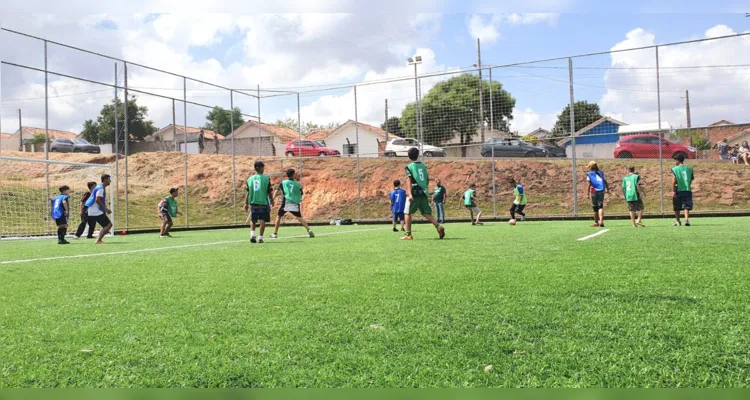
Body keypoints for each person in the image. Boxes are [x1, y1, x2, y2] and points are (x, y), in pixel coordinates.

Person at [401, 147, 445, 241]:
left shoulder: (409, 167)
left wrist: (409, 193)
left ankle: (408, 235)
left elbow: (409, 180)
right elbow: (427, 179)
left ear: (409, 156)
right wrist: (425, 189)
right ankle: (438, 226)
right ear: (418, 155)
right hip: (423, 192)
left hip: (414, 191)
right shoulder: (423, 166)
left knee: (407, 213)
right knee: (426, 212)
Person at [271, 169, 314, 239]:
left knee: (279, 216)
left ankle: (275, 234)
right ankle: (309, 230)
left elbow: (277, 190)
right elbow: (301, 193)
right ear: (293, 175)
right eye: (295, 174)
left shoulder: (283, 182)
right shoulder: (298, 184)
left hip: (286, 202)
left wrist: (272, 199)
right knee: (300, 218)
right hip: (294, 203)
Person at [244, 160, 273, 243]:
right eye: (263, 167)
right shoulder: (266, 179)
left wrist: (246, 203)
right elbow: (269, 191)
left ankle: (252, 235)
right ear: (259, 168)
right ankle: (260, 237)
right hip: (263, 202)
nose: (263, 169)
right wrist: (272, 200)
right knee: (263, 220)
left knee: (253, 220)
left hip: (253, 202)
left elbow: (248, 192)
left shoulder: (249, 179)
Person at [85, 174, 113, 244]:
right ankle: (98, 240)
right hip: (95, 210)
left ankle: (99, 239)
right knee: (108, 225)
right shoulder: (100, 188)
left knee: (106, 225)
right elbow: (98, 200)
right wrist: (106, 209)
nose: (110, 181)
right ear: (105, 180)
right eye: (109, 179)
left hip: (93, 210)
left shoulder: (100, 187)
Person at [672, 153, 694, 226]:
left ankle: (678, 221)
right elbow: (691, 179)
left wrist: (673, 191)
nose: (675, 162)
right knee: (686, 206)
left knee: (677, 207)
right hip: (687, 189)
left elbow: (674, 180)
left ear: (678, 160)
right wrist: (687, 184)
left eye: (675, 160)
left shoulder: (675, 169)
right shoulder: (689, 169)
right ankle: (687, 220)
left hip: (678, 189)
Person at [586, 161, 609, 228]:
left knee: (595, 207)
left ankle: (596, 222)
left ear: (591, 167)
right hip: (601, 190)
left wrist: (587, 193)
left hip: (593, 190)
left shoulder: (589, 174)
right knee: (600, 206)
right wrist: (608, 189)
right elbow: (605, 181)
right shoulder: (601, 173)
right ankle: (601, 221)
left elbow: (590, 184)